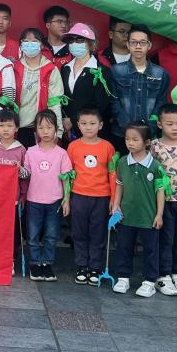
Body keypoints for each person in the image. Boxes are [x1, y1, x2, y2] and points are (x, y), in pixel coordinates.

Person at [111, 124, 166, 297]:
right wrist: (116, 204)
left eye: (135, 139)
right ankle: (123, 277)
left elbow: (160, 191)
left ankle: (149, 281)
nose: (130, 143)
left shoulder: (155, 165)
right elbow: (119, 185)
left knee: (150, 250)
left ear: (147, 142)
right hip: (126, 216)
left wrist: (159, 214)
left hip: (148, 217)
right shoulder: (122, 162)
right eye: (127, 139)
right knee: (124, 247)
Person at [63, 108, 116, 286]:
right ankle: (82, 266)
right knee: (79, 233)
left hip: (101, 197)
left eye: (92, 124)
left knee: (98, 233)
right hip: (78, 196)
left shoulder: (107, 147)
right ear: (78, 125)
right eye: (84, 124)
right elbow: (68, 174)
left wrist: (113, 199)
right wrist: (66, 199)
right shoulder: (73, 146)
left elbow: (112, 174)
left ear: (100, 125)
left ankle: (95, 267)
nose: (88, 127)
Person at [149, 105, 177, 296]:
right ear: (160, 124)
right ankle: (163, 274)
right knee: (166, 238)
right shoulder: (154, 146)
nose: (175, 128)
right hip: (164, 200)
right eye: (169, 124)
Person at [24, 111, 72, 281]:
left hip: (54, 201)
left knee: (51, 235)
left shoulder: (62, 153)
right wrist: (18, 169)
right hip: (33, 200)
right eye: (41, 127)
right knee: (33, 235)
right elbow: (26, 174)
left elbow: (66, 178)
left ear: (56, 129)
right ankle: (35, 263)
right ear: (36, 130)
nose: (45, 131)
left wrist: (66, 200)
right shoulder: (30, 152)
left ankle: (47, 263)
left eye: (49, 127)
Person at [109, 24, 170, 150]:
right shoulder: (116, 71)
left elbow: (161, 103)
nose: (138, 46)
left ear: (149, 45)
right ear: (128, 45)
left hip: (149, 135)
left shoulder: (160, 74)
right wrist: (128, 127)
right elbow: (113, 102)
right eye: (134, 42)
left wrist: (149, 128)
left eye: (142, 42)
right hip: (121, 134)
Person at [0, 109, 27, 274]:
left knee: (12, 232)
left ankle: (10, 260)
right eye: (2, 125)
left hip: (13, 199)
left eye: (10, 126)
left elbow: (27, 175)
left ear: (16, 128)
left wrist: (23, 195)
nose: (6, 129)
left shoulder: (21, 150)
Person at [60, 23, 113, 142]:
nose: (74, 43)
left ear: (91, 44)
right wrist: (64, 120)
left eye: (79, 40)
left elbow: (101, 105)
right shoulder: (65, 68)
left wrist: (73, 121)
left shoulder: (102, 71)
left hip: (92, 132)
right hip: (66, 131)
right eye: (71, 40)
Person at [13, 28, 64, 148]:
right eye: (26, 41)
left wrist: (58, 131)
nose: (30, 44)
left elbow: (55, 103)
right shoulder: (13, 67)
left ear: (42, 45)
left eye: (34, 41)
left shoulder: (51, 69)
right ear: (21, 45)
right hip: (17, 128)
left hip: (42, 128)